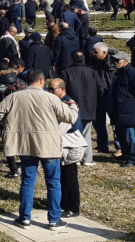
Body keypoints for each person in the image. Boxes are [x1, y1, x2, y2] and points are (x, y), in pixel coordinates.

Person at [0, 70, 79, 231]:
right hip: (48, 145)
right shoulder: (51, 98)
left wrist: (9, 124)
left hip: (26, 145)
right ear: (42, 81)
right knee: (53, 182)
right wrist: (73, 106)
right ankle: (54, 219)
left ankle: (24, 218)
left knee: (28, 181)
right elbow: (71, 118)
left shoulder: (14, 97)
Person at [47, 79, 89, 219]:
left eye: (52, 89)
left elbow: (69, 126)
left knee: (70, 178)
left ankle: (73, 207)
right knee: (62, 177)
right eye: (49, 88)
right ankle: (63, 203)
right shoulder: (58, 102)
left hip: (70, 146)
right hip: (61, 145)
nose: (50, 91)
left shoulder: (69, 105)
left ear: (62, 89)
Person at [60, 51, 101, 166]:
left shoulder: (66, 72)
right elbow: (100, 89)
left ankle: (75, 158)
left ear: (72, 60)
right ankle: (87, 158)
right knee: (87, 133)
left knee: (72, 133)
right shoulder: (93, 72)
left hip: (71, 107)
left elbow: (62, 89)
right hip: (89, 107)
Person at [109, 51, 135, 168]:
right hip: (118, 111)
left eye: (117, 60)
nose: (115, 63)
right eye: (113, 60)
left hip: (128, 111)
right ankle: (126, 153)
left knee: (129, 136)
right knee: (121, 135)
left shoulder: (131, 73)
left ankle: (132, 158)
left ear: (125, 60)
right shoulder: (118, 73)